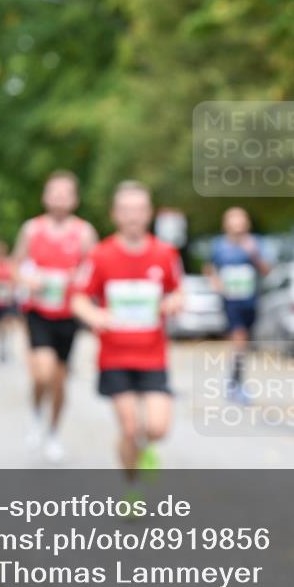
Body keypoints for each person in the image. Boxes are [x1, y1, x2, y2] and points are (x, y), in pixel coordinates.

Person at [72, 181, 183, 483]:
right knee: (130, 427)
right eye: (126, 210)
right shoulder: (99, 255)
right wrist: (94, 313)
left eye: (139, 209)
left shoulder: (166, 254)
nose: (133, 216)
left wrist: (173, 302)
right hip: (115, 356)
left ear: (149, 214)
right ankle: (130, 483)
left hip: (153, 355)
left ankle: (144, 449)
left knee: (158, 428)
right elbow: (78, 298)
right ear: (115, 214)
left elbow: (178, 292)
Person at [13, 171, 98, 461]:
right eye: (54, 192)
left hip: (68, 314)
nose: (60, 198)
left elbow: (95, 270)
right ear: (45, 197)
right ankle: (36, 414)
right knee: (43, 372)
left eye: (66, 193)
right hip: (38, 312)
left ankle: (53, 432)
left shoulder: (84, 232)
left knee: (59, 381)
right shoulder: (31, 230)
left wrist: (79, 279)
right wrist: (28, 281)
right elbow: (14, 267)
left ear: (74, 199)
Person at [203, 207, 269, 403]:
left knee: (244, 343)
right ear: (226, 225)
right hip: (231, 301)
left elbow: (266, 269)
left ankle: (233, 380)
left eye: (241, 221)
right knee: (239, 339)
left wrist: (253, 253)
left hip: (251, 301)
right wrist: (216, 283)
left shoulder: (256, 243)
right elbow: (209, 268)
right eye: (234, 221)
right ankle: (236, 384)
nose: (238, 226)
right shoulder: (219, 246)